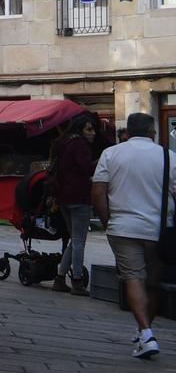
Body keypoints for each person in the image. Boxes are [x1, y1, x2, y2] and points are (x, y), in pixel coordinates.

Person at [90, 112, 176, 360]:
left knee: (133, 278)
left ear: (127, 132)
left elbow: (98, 193)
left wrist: (109, 222)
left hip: (124, 228)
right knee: (153, 283)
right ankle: (144, 332)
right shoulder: (168, 157)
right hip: (159, 230)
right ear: (153, 132)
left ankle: (145, 333)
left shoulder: (112, 154)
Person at [51, 113, 98, 296]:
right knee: (79, 241)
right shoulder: (80, 145)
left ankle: (60, 278)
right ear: (80, 130)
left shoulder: (63, 143)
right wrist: (101, 161)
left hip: (63, 198)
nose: (93, 133)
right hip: (79, 197)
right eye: (89, 129)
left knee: (75, 239)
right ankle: (77, 280)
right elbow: (87, 168)